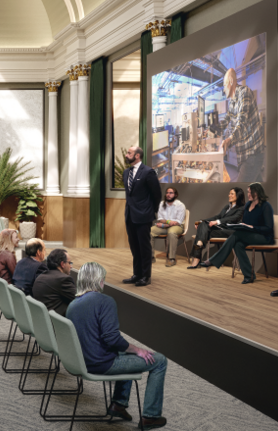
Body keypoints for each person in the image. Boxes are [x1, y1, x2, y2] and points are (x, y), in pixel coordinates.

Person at [66, 262, 167, 428]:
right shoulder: (105, 301)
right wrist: (138, 349)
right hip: (101, 363)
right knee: (160, 360)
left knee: (127, 352)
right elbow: (112, 339)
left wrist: (131, 350)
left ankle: (118, 405)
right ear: (99, 281)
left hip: (81, 361)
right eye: (103, 279)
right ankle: (151, 416)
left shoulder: (73, 305)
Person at [197, 182, 274, 284]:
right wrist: (242, 226)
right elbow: (245, 223)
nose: (248, 194)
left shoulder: (266, 206)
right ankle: (249, 276)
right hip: (250, 235)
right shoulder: (247, 205)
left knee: (236, 235)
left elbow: (268, 228)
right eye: (248, 192)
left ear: (257, 193)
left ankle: (213, 260)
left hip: (264, 237)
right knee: (237, 245)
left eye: (251, 192)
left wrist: (253, 227)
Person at [122, 146, 161, 287]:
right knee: (134, 247)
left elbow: (156, 195)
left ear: (137, 156)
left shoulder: (148, 172)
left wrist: (150, 211)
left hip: (144, 216)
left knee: (144, 247)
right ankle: (136, 274)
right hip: (130, 216)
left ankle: (146, 276)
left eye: (129, 153)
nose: (126, 155)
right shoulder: (126, 173)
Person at [220, 67, 265, 184]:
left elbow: (241, 124)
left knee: (240, 192)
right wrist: (213, 129)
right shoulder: (232, 102)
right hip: (246, 155)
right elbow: (226, 119)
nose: (224, 89)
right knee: (258, 190)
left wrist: (229, 140)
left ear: (230, 81)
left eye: (224, 85)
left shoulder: (244, 93)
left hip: (252, 155)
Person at [187, 187, 245, 268]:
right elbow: (217, 216)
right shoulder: (227, 206)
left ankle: (196, 257)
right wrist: (201, 221)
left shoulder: (241, 208)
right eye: (229, 193)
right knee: (203, 225)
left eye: (232, 194)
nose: (229, 195)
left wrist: (217, 222)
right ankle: (198, 252)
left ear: (238, 196)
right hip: (219, 230)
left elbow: (233, 218)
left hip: (229, 231)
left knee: (202, 230)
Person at [32, 249, 76, 316]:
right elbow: (79, 300)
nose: (71, 266)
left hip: (41, 322)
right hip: (59, 324)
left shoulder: (39, 278)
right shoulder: (63, 279)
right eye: (69, 263)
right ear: (62, 264)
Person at [151, 187, 186, 267]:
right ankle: (150, 256)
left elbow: (178, 222)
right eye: (167, 193)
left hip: (177, 227)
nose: (168, 195)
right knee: (150, 231)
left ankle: (172, 259)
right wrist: (168, 222)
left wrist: (164, 225)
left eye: (171, 193)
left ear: (175, 195)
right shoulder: (162, 204)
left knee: (172, 232)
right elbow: (160, 218)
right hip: (165, 226)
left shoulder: (180, 205)